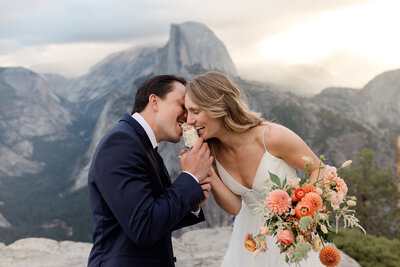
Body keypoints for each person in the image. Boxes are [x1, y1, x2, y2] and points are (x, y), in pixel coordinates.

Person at [184, 71, 324, 266]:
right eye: (187, 112)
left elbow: (319, 169)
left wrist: (303, 211)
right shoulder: (211, 151)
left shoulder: (272, 137)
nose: (189, 120)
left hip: (293, 236)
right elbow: (234, 207)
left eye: (195, 111)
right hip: (250, 244)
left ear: (219, 106)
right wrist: (208, 170)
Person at [87, 74, 213, 267]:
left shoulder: (142, 144)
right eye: (182, 106)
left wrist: (193, 199)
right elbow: (144, 227)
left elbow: (155, 214)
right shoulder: (121, 144)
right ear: (154, 101)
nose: (188, 117)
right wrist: (190, 177)